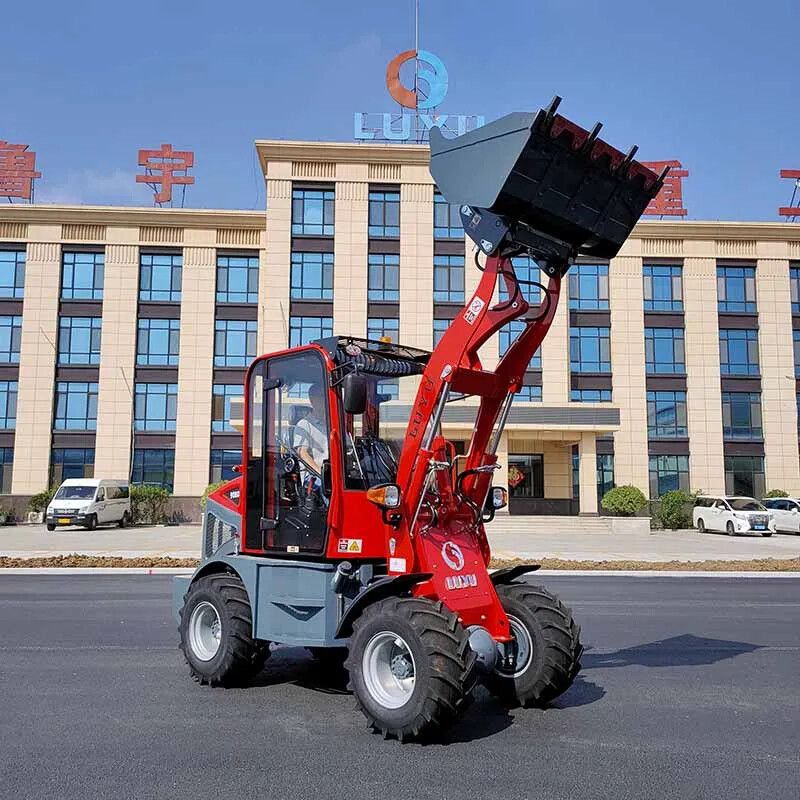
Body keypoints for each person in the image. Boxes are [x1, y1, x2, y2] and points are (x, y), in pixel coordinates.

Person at [293, 383, 329, 495]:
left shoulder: (333, 425)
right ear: (312, 400)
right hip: (313, 477)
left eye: (325, 396)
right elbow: (302, 453)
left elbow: (348, 448)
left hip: (333, 473)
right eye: (321, 397)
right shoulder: (304, 425)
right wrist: (320, 473)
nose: (324, 400)